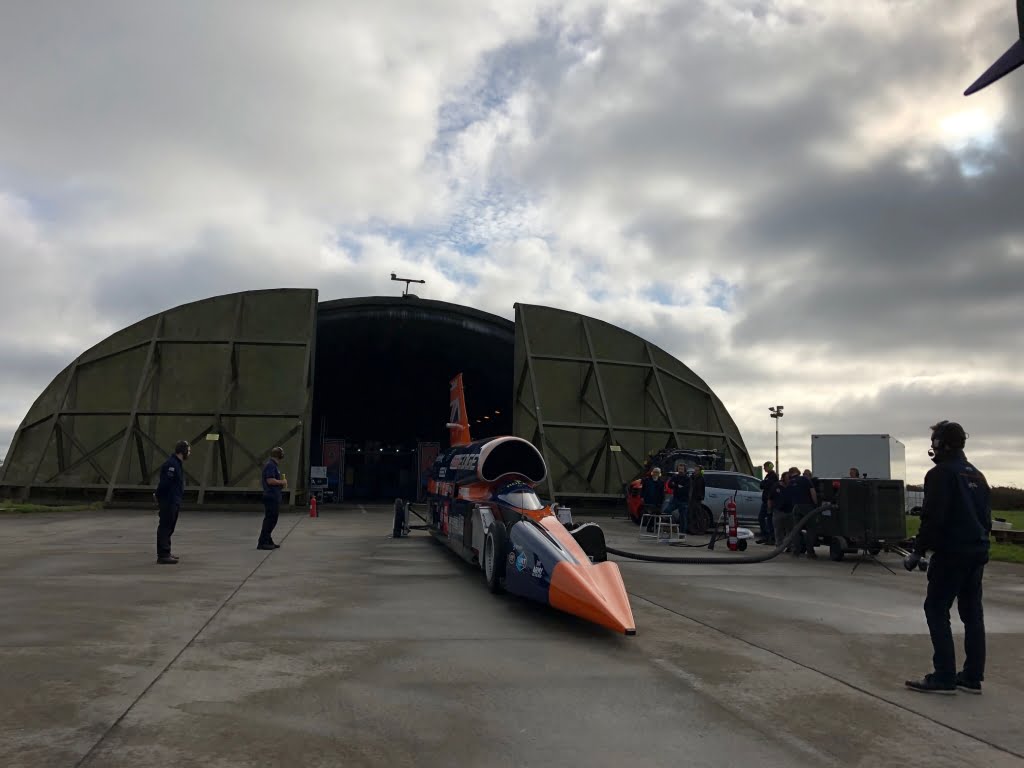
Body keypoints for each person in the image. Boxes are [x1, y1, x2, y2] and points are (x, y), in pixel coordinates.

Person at [905, 421, 991, 695]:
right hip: (977, 550)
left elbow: (933, 518)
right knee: (972, 614)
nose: (932, 447)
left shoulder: (940, 474)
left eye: (934, 442)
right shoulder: (977, 475)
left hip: (952, 552)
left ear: (942, 443)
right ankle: (972, 676)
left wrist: (918, 549)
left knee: (936, 609)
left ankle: (943, 675)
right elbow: (985, 520)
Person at [154, 440, 190, 564]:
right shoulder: (172, 465)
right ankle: (163, 555)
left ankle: (166, 551)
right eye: (188, 450)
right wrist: (158, 495)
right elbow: (165, 483)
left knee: (170, 527)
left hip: (174, 500)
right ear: (182, 451)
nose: (189, 453)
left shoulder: (177, 464)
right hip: (168, 500)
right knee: (165, 526)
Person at [258, 446, 288, 550]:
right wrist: (282, 482)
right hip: (271, 496)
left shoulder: (273, 465)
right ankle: (262, 542)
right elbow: (270, 480)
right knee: (270, 520)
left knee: (272, 519)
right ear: (280, 455)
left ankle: (268, 540)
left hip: (274, 496)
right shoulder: (271, 465)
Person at [786, 466, 818, 557]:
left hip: (796, 507)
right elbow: (812, 492)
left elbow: (789, 496)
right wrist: (815, 505)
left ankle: (796, 551)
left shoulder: (790, 482)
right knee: (811, 529)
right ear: (798, 472)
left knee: (796, 529)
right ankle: (810, 552)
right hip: (807, 506)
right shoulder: (805, 479)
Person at [665, 467, 691, 540]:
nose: (680, 470)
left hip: (684, 500)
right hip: (675, 499)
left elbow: (685, 489)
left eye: (682, 469)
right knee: (666, 511)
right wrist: (677, 485)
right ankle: (671, 528)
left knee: (683, 518)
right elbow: (670, 484)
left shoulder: (687, 478)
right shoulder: (675, 477)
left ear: (685, 470)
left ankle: (682, 534)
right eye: (679, 469)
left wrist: (676, 485)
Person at [770, 471, 793, 550]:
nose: (789, 480)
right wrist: (769, 509)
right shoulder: (776, 486)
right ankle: (779, 546)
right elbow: (770, 498)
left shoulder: (791, 487)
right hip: (778, 511)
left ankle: (789, 546)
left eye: (790, 478)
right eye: (787, 478)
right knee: (778, 530)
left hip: (789, 511)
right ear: (783, 478)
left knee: (789, 530)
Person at [758, 461, 779, 545]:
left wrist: (764, 483)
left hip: (769, 501)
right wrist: (764, 483)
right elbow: (762, 485)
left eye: (765, 467)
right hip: (766, 501)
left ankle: (770, 537)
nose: (764, 468)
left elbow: (765, 485)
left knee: (768, 519)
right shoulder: (768, 476)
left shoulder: (773, 476)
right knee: (764, 519)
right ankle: (767, 537)